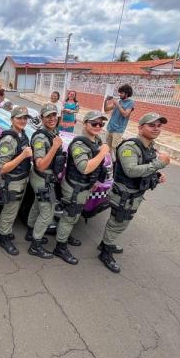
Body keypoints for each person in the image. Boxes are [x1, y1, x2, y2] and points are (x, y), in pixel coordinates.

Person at [98, 112, 171, 273]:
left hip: (135, 194)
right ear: (140, 127)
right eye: (151, 125)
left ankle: (105, 243)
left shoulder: (149, 146)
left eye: (159, 126)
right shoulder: (129, 146)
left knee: (122, 222)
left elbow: (145, 166)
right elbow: (131, 170)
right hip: (124, 195)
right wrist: (159, 165)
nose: (156, 129)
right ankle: (105, 252)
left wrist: (157, 175)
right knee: (118, 223)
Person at [55, 111, 110, 265]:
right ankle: (60, 247)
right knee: (70, 216)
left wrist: (93, 182)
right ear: (85, 124)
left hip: (84, 185)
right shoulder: (79, 144)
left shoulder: (96, 141)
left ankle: (65, 235)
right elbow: (84, 167)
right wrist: (103, 152)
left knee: (74, 216)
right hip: (75, 187)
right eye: (94, 123)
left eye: (101, 124)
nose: (98, 126)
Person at [26, 102, 65, 259]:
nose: (52, 118)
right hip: (42, 177)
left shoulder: (52, 132)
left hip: (44, 178)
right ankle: (35, 246)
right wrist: (55, 147)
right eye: (48, 116)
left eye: (54, 115)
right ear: (42, 118)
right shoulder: (41, 137)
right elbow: (40, 165)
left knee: (37, 204)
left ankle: (30, 231)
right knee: (47, 212)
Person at [0, 106, 33, 255]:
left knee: (12, 209)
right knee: (10, 211)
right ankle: (4, 238)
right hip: (13, 181)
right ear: (12, 119)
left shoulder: (22, 134)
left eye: (25, 118)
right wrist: (23, 156)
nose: (23, 121)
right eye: (19, 118)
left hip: (21, 178)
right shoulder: (9, 139)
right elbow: (3, 167)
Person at [104, 84, 135, 159]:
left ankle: (116, 163)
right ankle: (108, 162)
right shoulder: (119, 101)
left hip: (118, 129)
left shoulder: (130, 103)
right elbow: (106, 109)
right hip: (110, 127)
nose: (119, 94)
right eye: (119, 92)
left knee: (115, 148)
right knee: (107, 147)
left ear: (126, 94)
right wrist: (106, 101)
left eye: (121, 93)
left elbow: (125, 114)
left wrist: (117, 105)